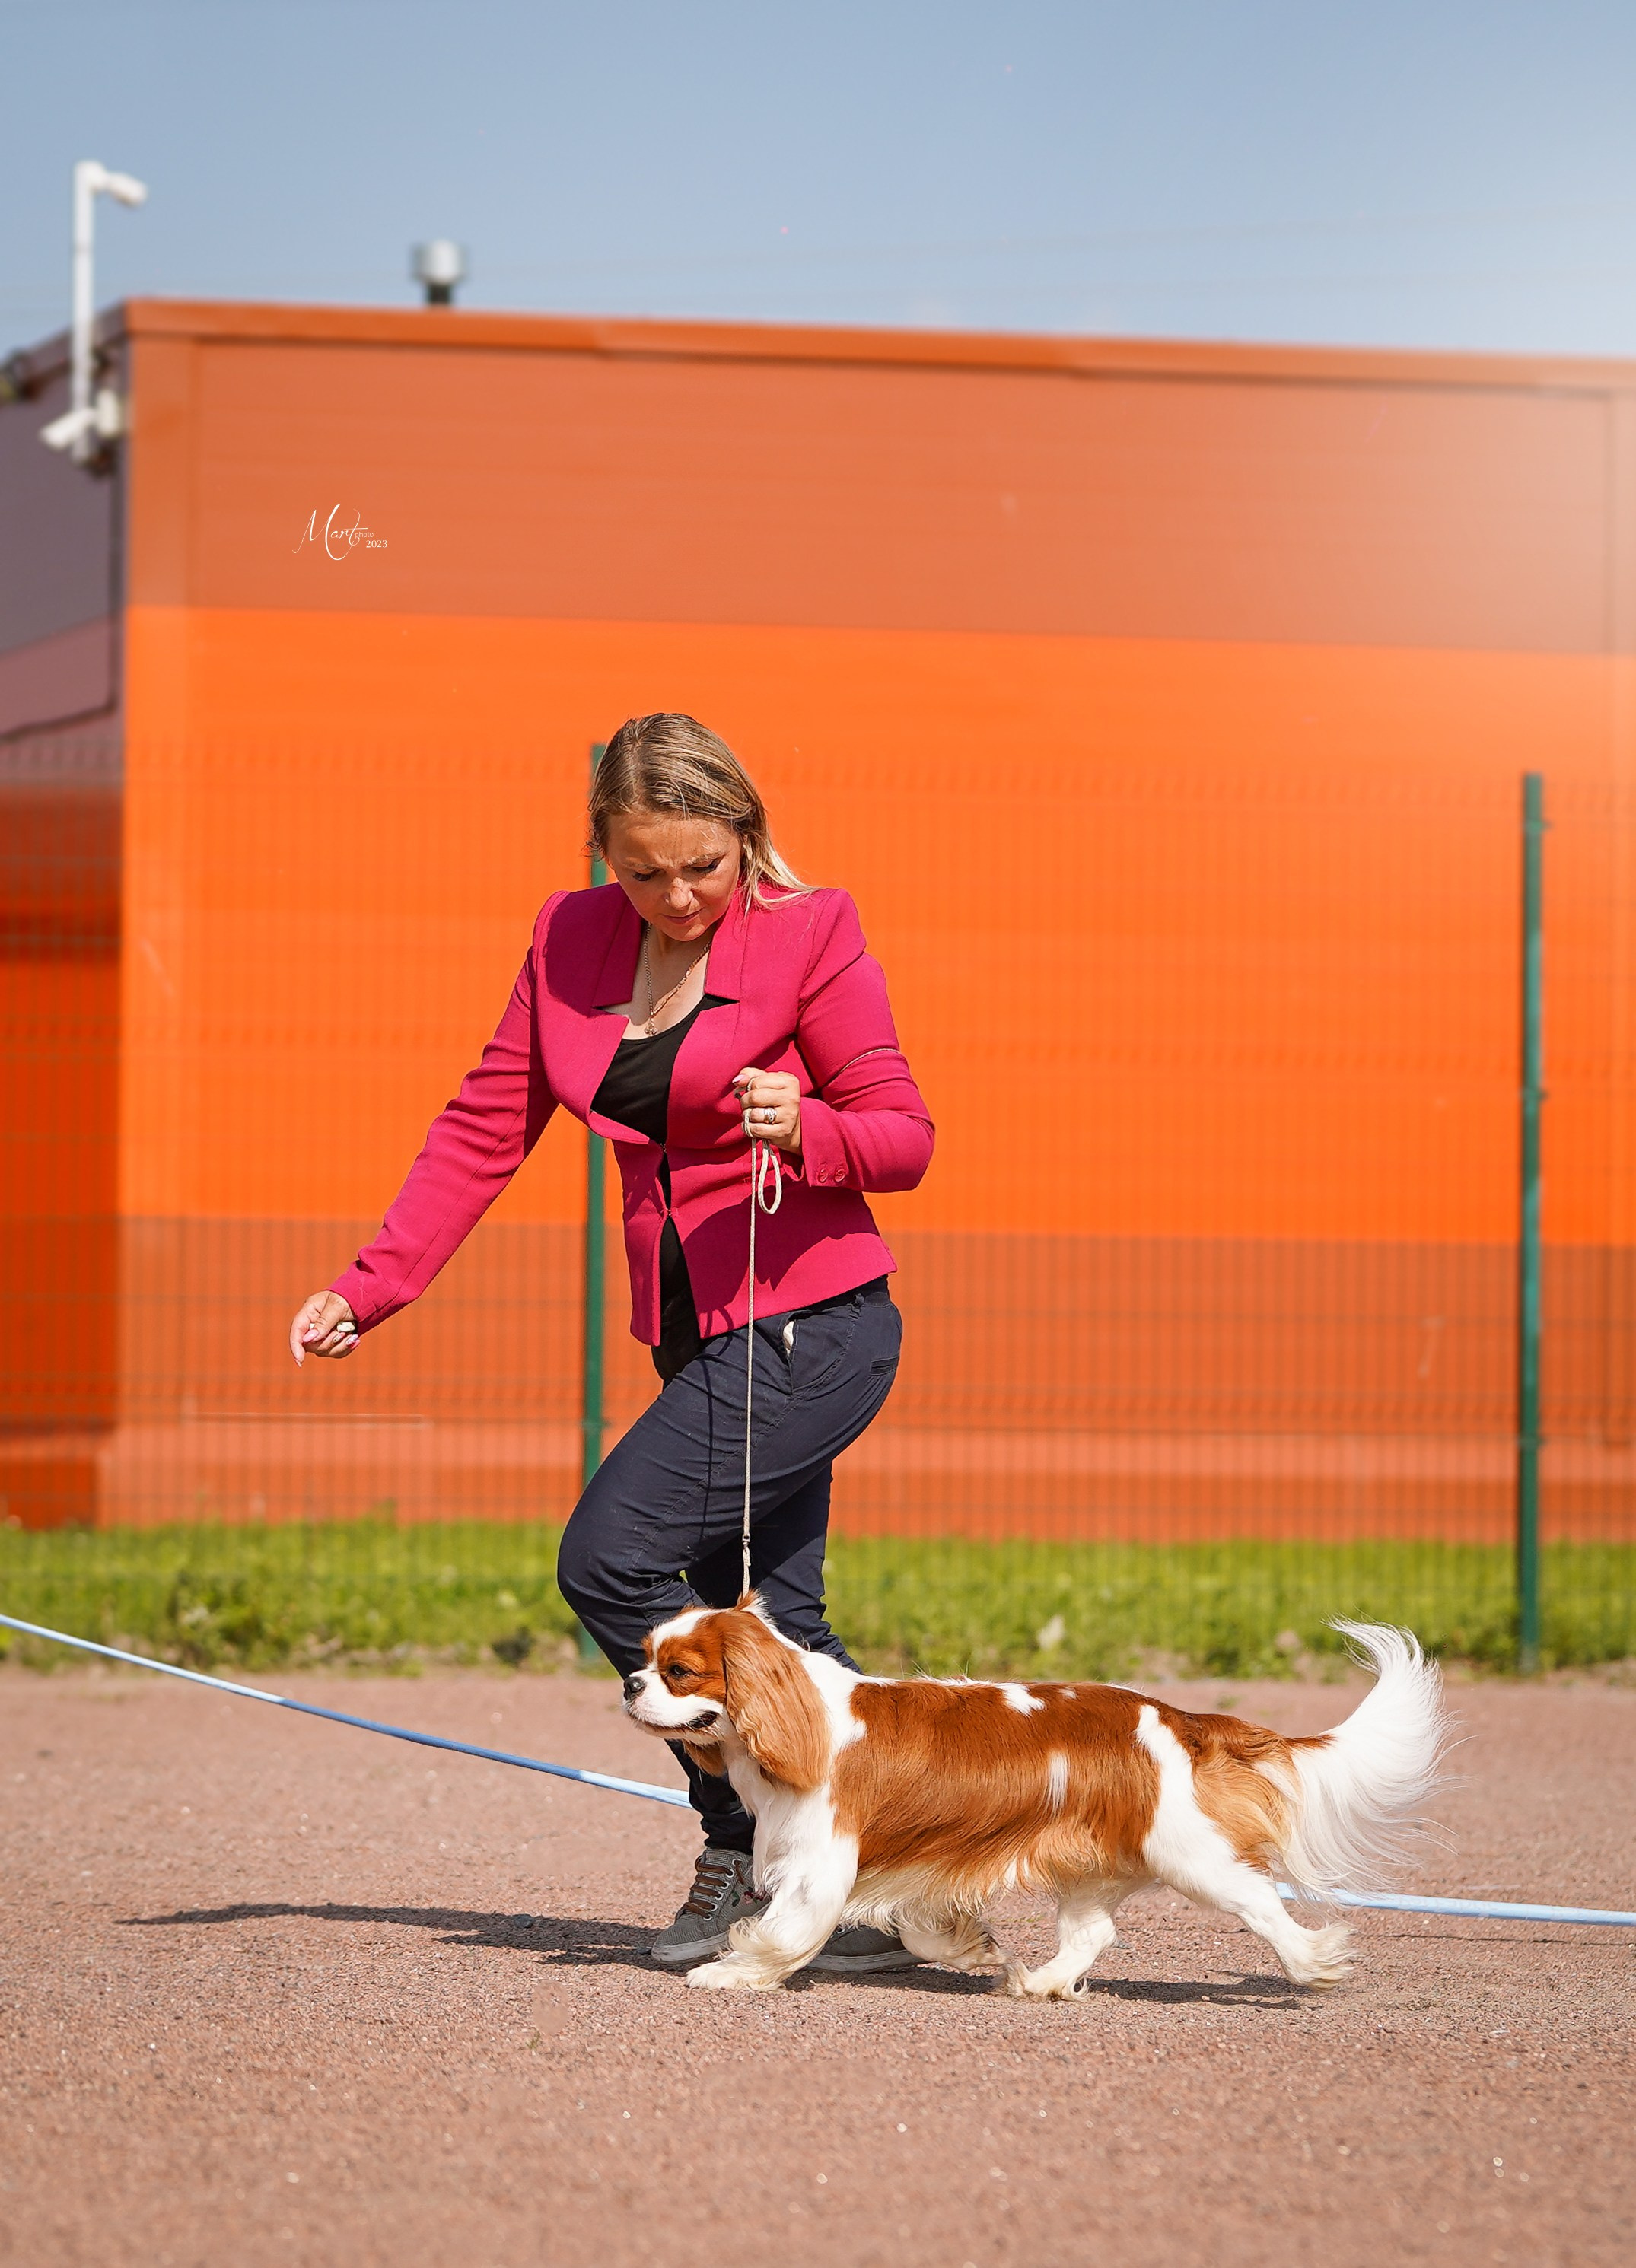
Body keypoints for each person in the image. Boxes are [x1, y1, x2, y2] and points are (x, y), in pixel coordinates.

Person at [288, 712, 934, 1971]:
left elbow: (903, 1133)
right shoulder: (568, 936)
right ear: (603, 853)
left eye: (704, 862)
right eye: (644, 869)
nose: (680, 895)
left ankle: (758, 1846)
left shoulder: (813, 928)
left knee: (613, 1559)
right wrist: (371, 1288)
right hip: (693, 1334)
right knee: (776, 1620)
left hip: (814, 1326)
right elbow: (484, 1125)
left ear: (745, 833)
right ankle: (867, 1886)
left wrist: (810, 1125)